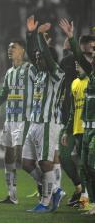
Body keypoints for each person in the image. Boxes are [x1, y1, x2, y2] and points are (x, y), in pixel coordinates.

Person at [22, 17, 65, 213]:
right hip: (34, 123)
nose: (37, 60)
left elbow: (45, 56)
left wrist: (39, 35)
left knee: (45, 162)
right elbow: (34, 54)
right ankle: (55, 189)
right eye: (37, 58)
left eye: (41, 58)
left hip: (48, 123)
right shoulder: (38, 73)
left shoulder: (56, 73)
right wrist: (31, 34)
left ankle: (45, 202)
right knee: (26, 163)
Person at [0, 39, 36, 204]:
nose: (10, 50)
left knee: (22, 158)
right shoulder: (9, 72)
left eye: (14, 47)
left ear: (22, 50)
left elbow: (42, 86)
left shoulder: (30, 69)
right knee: (9, 156)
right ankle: (12, 195)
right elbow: (4, 95)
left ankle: (47, 186)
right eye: (9, 48)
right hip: (10, 120)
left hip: (25, 119)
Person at [59, 18, 95, 215]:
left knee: (90, 166)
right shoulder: (89, 77)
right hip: (85, 127)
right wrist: (72, 38)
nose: (92, 58)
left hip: (93, 129)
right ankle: (88, 201)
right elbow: (80, 59)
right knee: (85, 167)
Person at [61, 61, 92, 209]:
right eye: (75, 65)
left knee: (88, 165)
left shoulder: (90, 82)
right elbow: (73, 110)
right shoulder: (74, 83)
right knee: (81, 164)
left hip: (89, 129)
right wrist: (67, 130)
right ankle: (85, 199)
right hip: (77, 130)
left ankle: (88, 200)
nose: (76, 67)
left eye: (79, 65)